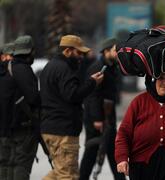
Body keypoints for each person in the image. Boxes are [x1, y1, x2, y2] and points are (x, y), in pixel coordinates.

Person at [40, 35, 104, 180]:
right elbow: (73, 95)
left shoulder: (50, 66)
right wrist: (92, 83)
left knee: (59, 172)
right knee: (68, 175)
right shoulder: (64, 69)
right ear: (68, 51)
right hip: (63, 130)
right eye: (78, 53)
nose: (81, 57)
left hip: (51, 127)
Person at [115, 72, 165, 180]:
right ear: (152, 80)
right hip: (142, 168)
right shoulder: (139, 102)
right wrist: (122, 158)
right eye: (160, 78)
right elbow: (124, 132)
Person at [80, 38, 125, 180]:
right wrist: (97, 118)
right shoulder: (98, 67)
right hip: (97, 120)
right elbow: (92, 95)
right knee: (91, 153)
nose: (118, 53)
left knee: (113, 152)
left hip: (108, 117)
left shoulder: (113, 67)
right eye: (115, 50)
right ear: (106, 51)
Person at [0, 36, 40, 180]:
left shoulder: (5, 69)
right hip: (21, 127)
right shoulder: (22, 69)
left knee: (6, 164)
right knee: (20, 165)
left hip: (6, 127)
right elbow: (34, 98)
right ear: (30, 51)